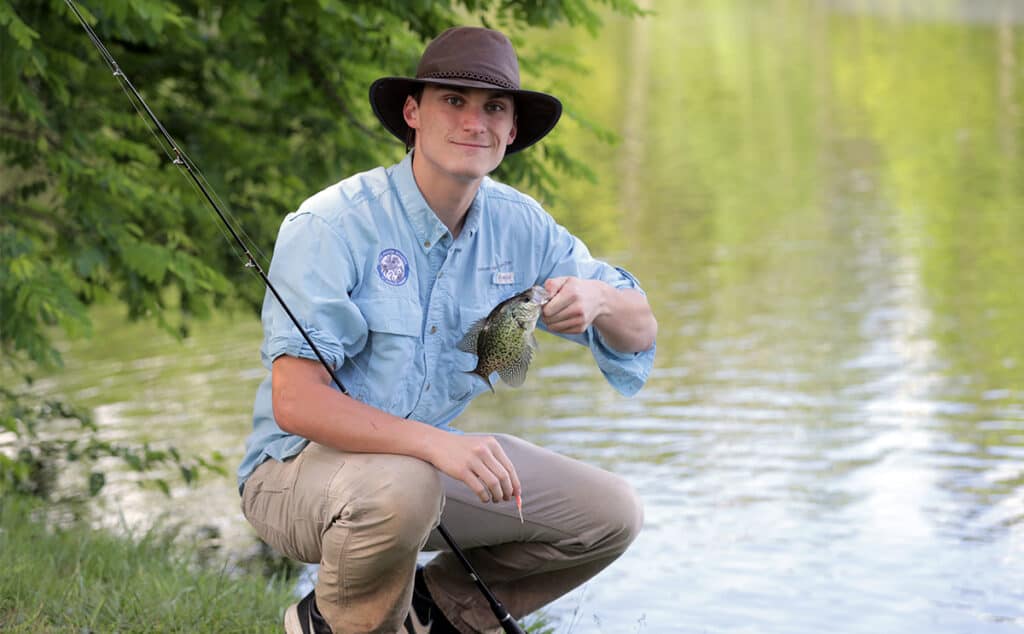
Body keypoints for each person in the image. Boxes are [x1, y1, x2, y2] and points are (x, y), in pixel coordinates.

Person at [237, 26, 657, 634]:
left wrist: (599, 299)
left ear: (512, 131)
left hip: (418, 473)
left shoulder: (522, 227)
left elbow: (639, 331)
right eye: (452, 101)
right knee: (403, 484)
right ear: (412, 112)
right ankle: (328, 623)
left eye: (494, 108)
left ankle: (431, 615)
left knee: (611, 513)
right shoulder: (330, 225)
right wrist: (435, 444)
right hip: (294, 473)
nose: (474, 122)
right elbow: (295, 401)